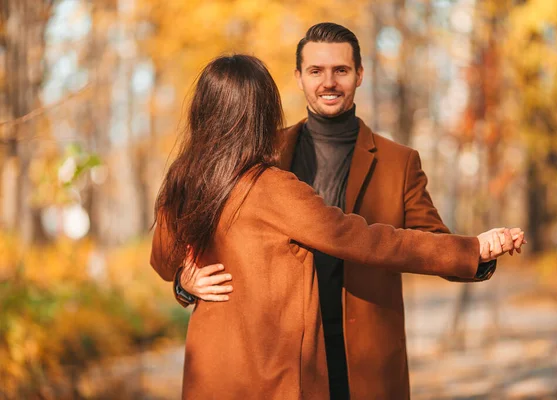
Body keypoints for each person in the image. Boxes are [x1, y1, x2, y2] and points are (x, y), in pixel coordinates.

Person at [170, 23, 525, 399]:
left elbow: (427, 240)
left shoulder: (399, 162)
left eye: (340, 70)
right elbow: (191, 236)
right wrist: (184, 280)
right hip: (287, 355)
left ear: (359, 75)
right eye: (316, 71)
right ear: (298, 77)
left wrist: (473, 253)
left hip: (363, 359)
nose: (329, 82)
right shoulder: (260, 158)